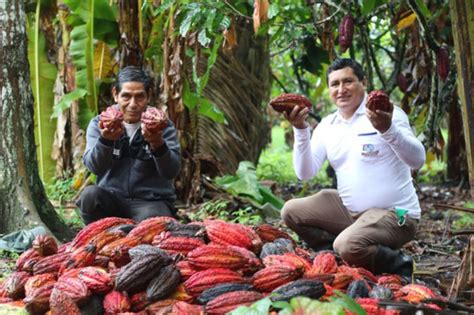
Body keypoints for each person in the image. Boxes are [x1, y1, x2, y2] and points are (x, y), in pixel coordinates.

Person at [281, 58, 426, 280]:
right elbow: (305, 173)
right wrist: (301, 130)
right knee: (291, 211)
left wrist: (387, 129)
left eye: (348, 81)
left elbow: (418, 160)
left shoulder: (387, 113)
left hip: (398, 214)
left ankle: (400, 264)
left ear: (363, 82)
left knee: (348, 244)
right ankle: (337, 254)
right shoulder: (328, 125)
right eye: (335, 84)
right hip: (352, 213)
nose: (341, 90)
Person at [78, 66, 181, 224]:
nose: (133, 104)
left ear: (148, 96)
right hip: (112, 199)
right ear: (115, 95)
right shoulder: (100, 123)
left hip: (150, 203)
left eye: (139, 97)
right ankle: (112, 233)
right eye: (126, 96)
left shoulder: (162, 125)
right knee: (89, 196)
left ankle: (127, 233)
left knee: (155, 220)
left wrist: (157, 142)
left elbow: (171, 171)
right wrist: (106, 141)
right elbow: (94, 166)